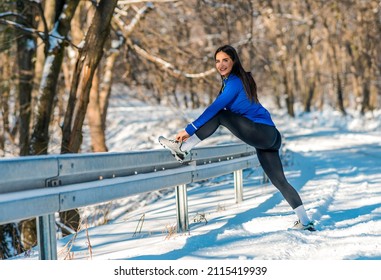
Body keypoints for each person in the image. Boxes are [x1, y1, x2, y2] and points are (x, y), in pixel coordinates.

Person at [158, 45, 315, 231]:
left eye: (225, 60)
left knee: (221, 115)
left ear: (234, 61)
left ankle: (183, 149)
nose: (221, 64)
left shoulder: (235, 82)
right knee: (279, 181)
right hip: (270, 136)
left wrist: (189, 129)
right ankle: (305, 221)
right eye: (217, 61)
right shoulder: (235, 81)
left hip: (262, 132)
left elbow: (215, 109)